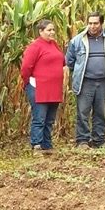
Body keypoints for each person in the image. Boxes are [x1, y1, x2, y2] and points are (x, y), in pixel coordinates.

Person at [65, 12, 105, 148]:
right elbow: (70, 61)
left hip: (103, 82)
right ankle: (82, 140)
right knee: (83, 112)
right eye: (90, 23)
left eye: (95, 23)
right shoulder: (78, 40)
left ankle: (99, 140)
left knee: (100, 112)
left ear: (102, 24)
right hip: (85, 82)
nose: (92, 26)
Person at [20, 20, 66, 153]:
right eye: (49, 30)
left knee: (50, 119)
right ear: (41, 32)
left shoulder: (54, 45)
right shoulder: (35, 46)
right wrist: (27, 82)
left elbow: (62, 61)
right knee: (39, 117)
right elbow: (26, 67)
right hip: (39, 88)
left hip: (54, 88)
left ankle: (47, 144)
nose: (52, 32)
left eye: (53, 30)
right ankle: (37, 145)